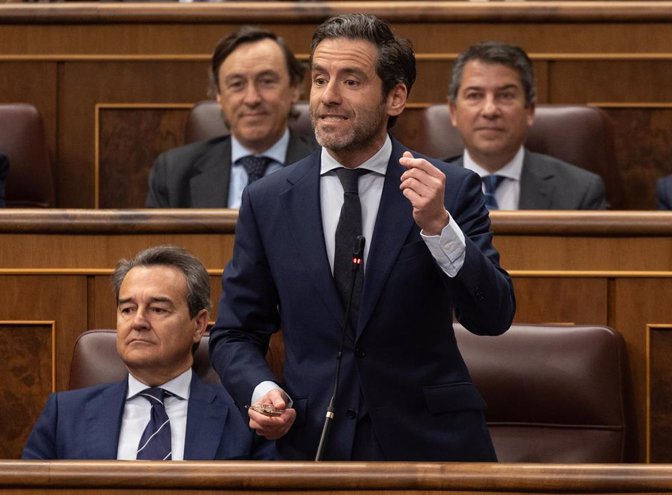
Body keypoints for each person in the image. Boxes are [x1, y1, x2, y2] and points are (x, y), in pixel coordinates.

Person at [210, 14, 515, 462]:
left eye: (351, 81)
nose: (328, 97)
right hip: (312, 442)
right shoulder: (268, 200)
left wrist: (438, 227)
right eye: (319, 79)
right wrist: (261, 389)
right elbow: (236, 333)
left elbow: (493, 316)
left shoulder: (450, 187)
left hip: (431, 446)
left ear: (395, 97)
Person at [23, 245, 274, 460]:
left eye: (157, 309)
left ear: (198, 324)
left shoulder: (246, 419)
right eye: (128, 309)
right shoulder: (64, 415)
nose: (138, 322)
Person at [146, 27, 317, 208]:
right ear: (218, 94)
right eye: (237, 84)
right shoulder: (173, 173)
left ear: (295, 88)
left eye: (267, 81)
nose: (252, 99)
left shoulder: (328, 167)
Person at [445, 41, 607, 210]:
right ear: (454, 111)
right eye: (475, 95)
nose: (490, 110)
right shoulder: (418, 187)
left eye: (506, 95)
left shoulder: (580, 191)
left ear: (529, 110)